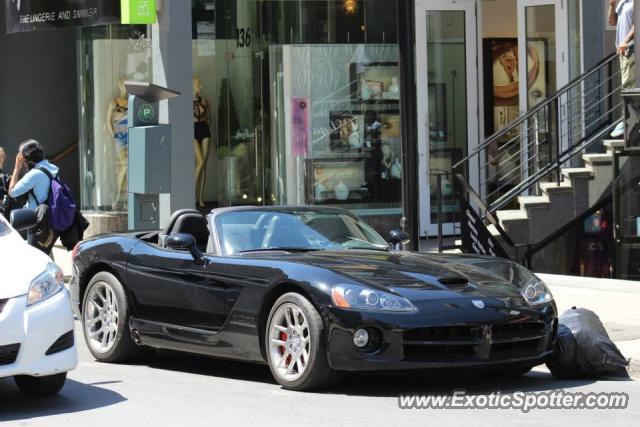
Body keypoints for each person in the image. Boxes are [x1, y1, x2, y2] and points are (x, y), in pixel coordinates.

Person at [8, 140, 60, 253]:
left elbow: (12, 192)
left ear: (25, 158)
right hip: (52, 219)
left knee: (35, 256)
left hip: (38, 222)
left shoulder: (33, 175)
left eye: (20, 155)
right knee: (45, 253)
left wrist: (16, 168)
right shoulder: (51, 168)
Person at [609, 0, 635, 138]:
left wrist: (626, 40)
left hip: (632, 48)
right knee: (627, 86)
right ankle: (627, 119)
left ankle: (627, 120)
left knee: (629, 85)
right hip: (623, 51)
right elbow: (612, 22)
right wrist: (612, 5)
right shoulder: (623, 3)